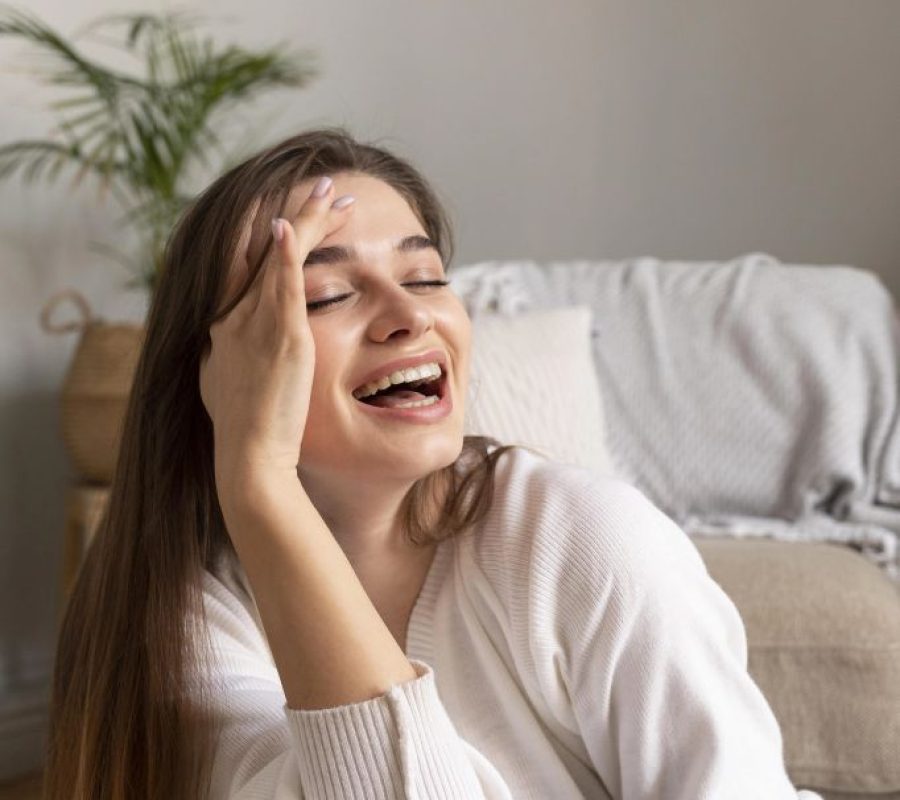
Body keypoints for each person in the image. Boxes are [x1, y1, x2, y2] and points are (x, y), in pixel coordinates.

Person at [44, 128, 824, 799]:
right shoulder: (181, 613)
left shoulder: (584, 537)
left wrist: (261, 490)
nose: (412, 315)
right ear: (221, 373)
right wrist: (261, 487)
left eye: (425, 278)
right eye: (323, 296)